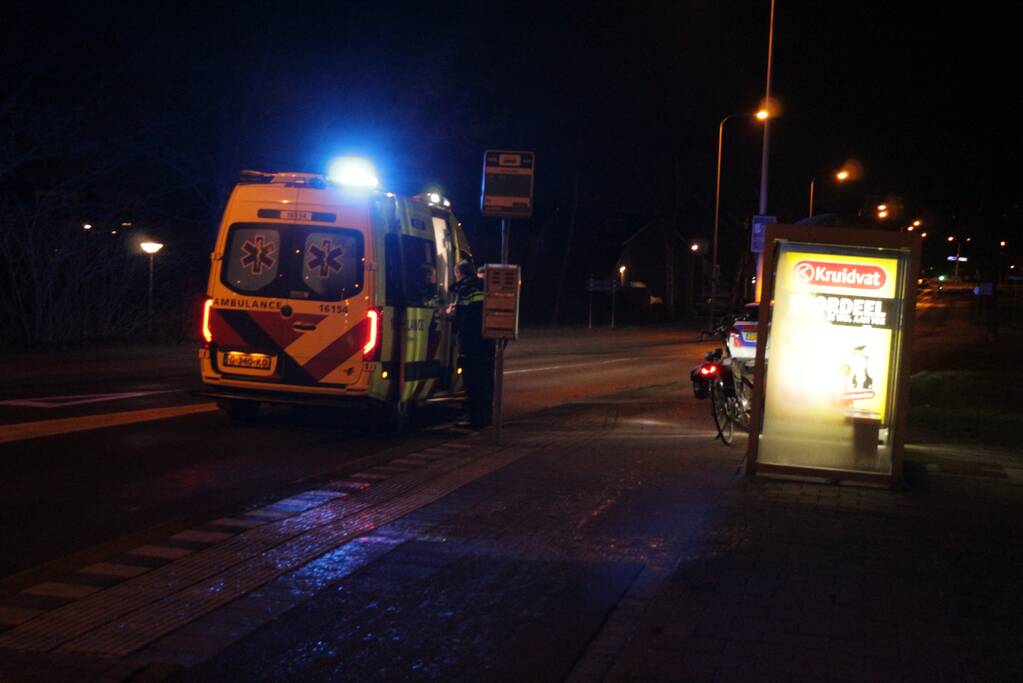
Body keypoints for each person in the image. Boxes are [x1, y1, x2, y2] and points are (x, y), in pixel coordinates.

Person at [451, 259, 494, 429]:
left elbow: (462, 316)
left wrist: (452, 318)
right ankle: (484, 417)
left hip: (471, 341)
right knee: (484, 381)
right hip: (486, 342)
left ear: (458, 273)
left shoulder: (467, 289)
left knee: (472, 382)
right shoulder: (484, 287)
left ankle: (475, 419)